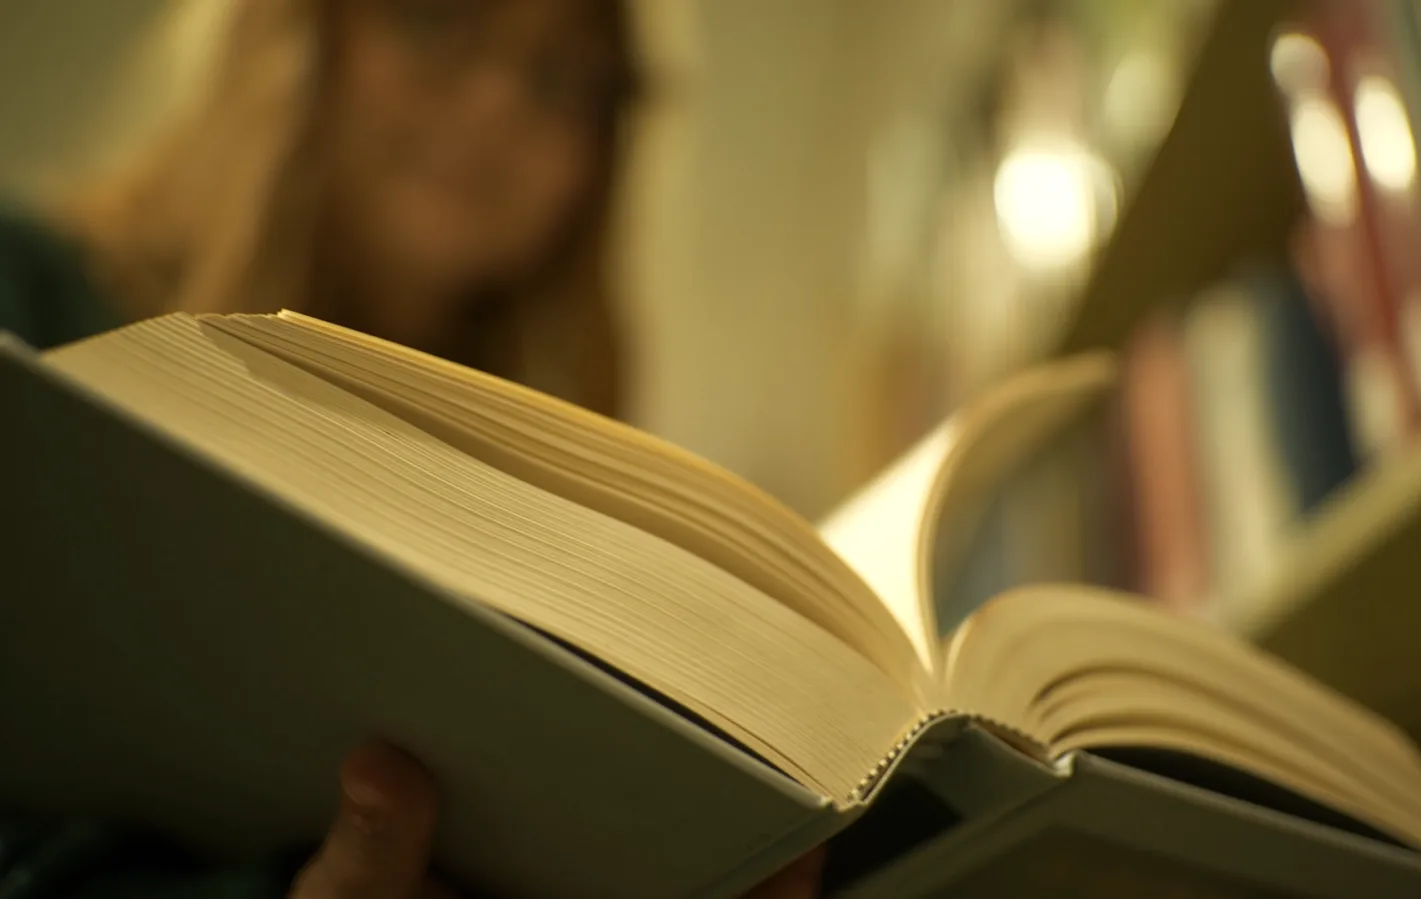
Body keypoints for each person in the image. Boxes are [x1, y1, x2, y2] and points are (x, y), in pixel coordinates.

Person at [0, 1, 819, 896]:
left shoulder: (543, 511)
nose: (498, 102)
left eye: (563, 80)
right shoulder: (31, 309)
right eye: (436, 20)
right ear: (291, 32)